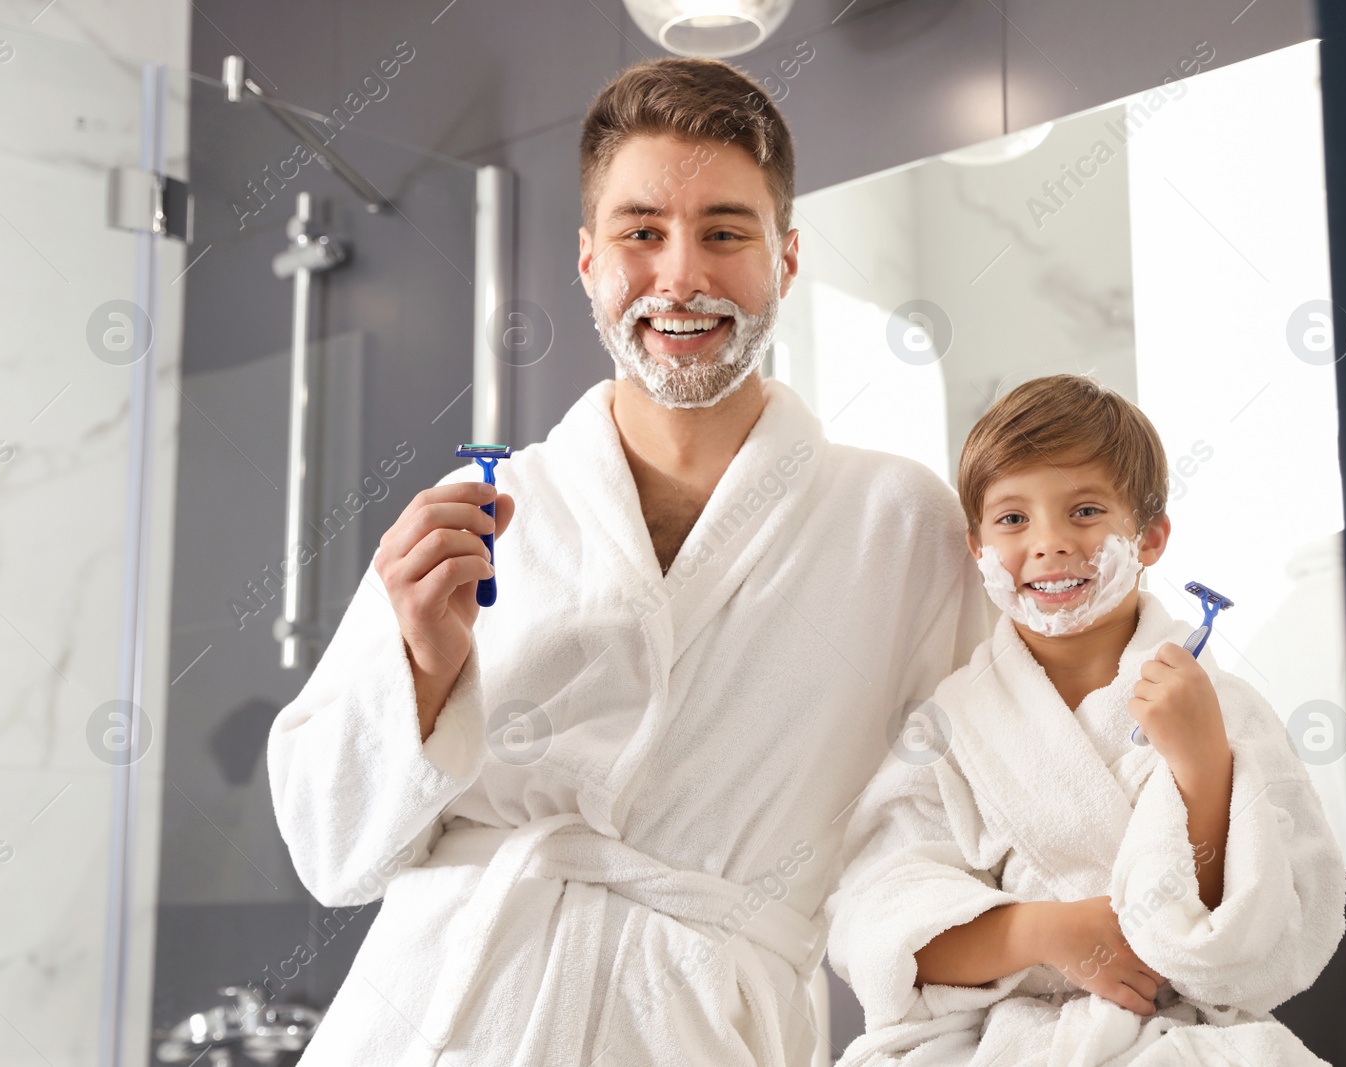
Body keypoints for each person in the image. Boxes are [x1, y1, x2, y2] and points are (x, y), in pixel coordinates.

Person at [266, 57, 990, 1066]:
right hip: (436, 1011)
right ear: (588, 263)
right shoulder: (480, 513)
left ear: (785, 260)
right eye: (640, 231)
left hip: (700, 1025)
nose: (681, 275)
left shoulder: (896, 521)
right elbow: (330, 851)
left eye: (724, 232)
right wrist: (424, 667)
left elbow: (953, 825)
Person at [825, 375, 1346, 1065]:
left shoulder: (1222, 711)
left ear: (1151, 536)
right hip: (991, 1040)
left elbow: (1258, 944)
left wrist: (1203, 768)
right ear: (977, 547)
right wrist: (1045, 932)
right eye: (1013, 519)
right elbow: (877, 923)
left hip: (1176, 1034)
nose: (1049, 543)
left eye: (1086, 510)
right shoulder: (948, 726)